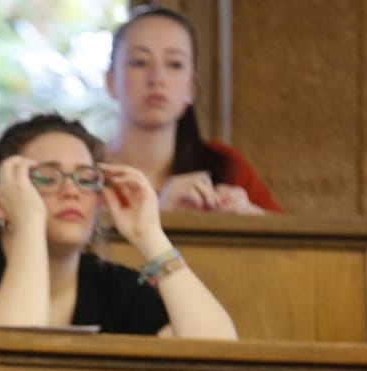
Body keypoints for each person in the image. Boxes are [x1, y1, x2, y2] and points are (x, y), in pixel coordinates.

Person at [0, 113, 236, 338]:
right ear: (1, 199)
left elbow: (217, 349)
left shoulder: (116, 287)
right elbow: (10, 367)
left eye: (85, 178)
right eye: (46, 176)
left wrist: (150, 235)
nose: (71, 190)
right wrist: (29, 223)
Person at [105, 5, 282, 214]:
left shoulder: (224, 166)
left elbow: (294, 243)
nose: (157, 78)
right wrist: (163, 216)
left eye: (175, 64)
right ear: (111, 82)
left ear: (191, 87)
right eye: (139, 62)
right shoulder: (84, 175)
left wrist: (252, 220)